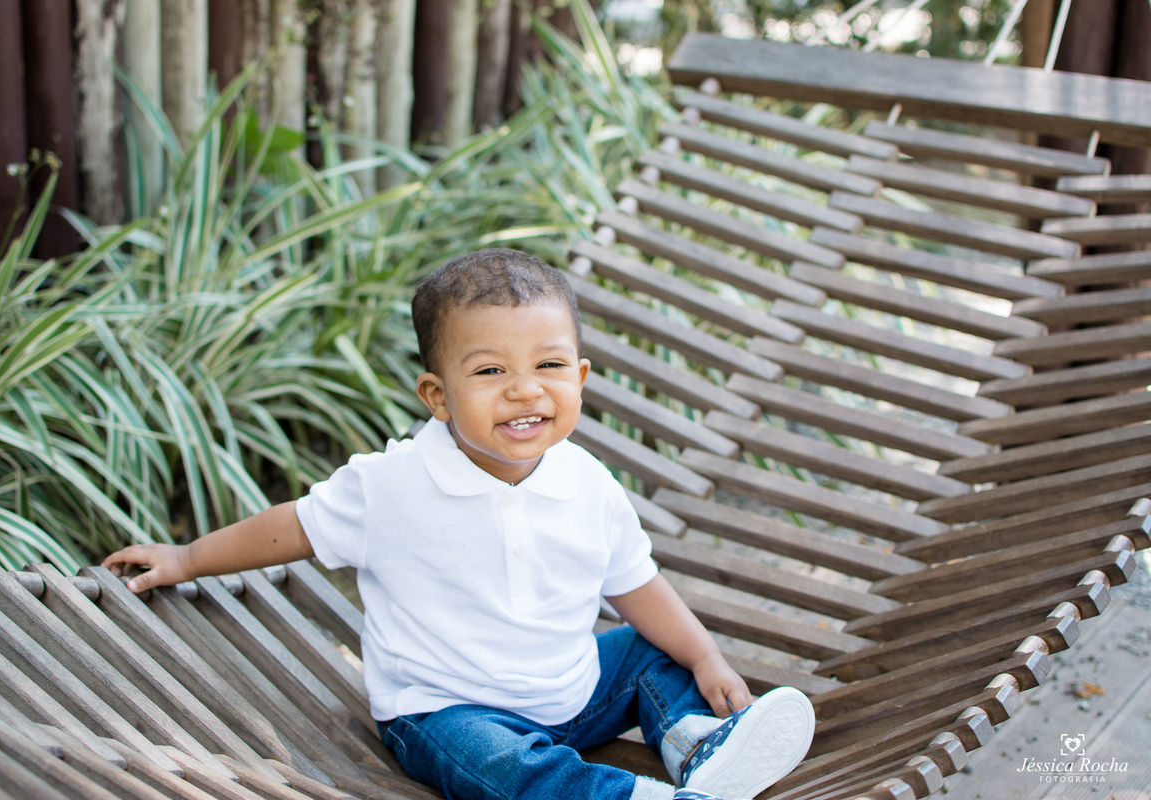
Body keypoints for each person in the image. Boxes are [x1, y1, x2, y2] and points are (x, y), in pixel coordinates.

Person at [103, 249, 815, 800]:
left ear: (581, 378)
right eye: (490, 372)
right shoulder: (391, 486)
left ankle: (698, 748)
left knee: (650, 653)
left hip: (571, 693)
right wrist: (187, 558)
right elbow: (290, 528)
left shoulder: (588, 483)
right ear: (437, 397)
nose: (525, 389)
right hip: (446, 709)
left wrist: (707, 659)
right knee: (498, 766)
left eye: (549, 365)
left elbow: (637, 586)